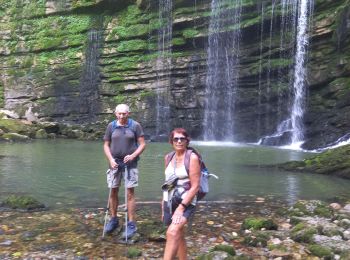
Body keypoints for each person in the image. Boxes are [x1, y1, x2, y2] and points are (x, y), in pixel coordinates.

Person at [103, 104, 146, 238]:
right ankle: (114, 219)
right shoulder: (111, 126)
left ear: (128, 113)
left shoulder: (135, 126)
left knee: (130, 193)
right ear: (115, 113)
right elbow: (106, 145)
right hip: (114, 163)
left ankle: (131, 223)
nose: (122, 116)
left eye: (124, 113)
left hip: (130, 163)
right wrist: (110, 159)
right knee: (113, 190)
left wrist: (133, 155)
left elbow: (143, 144)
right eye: (119, 113)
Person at [162, 128, 201, 260]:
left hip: (186, 201)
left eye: (182, 139)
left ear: (186, 141)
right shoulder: (168, 157)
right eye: (175, 139)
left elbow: (195, 186)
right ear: (171, 141)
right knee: (179, 234)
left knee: (172, 232)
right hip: (170, 200)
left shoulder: (192, 157)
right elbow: (168, 183)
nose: (179, 141)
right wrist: (163, 205)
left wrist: (181, 207)